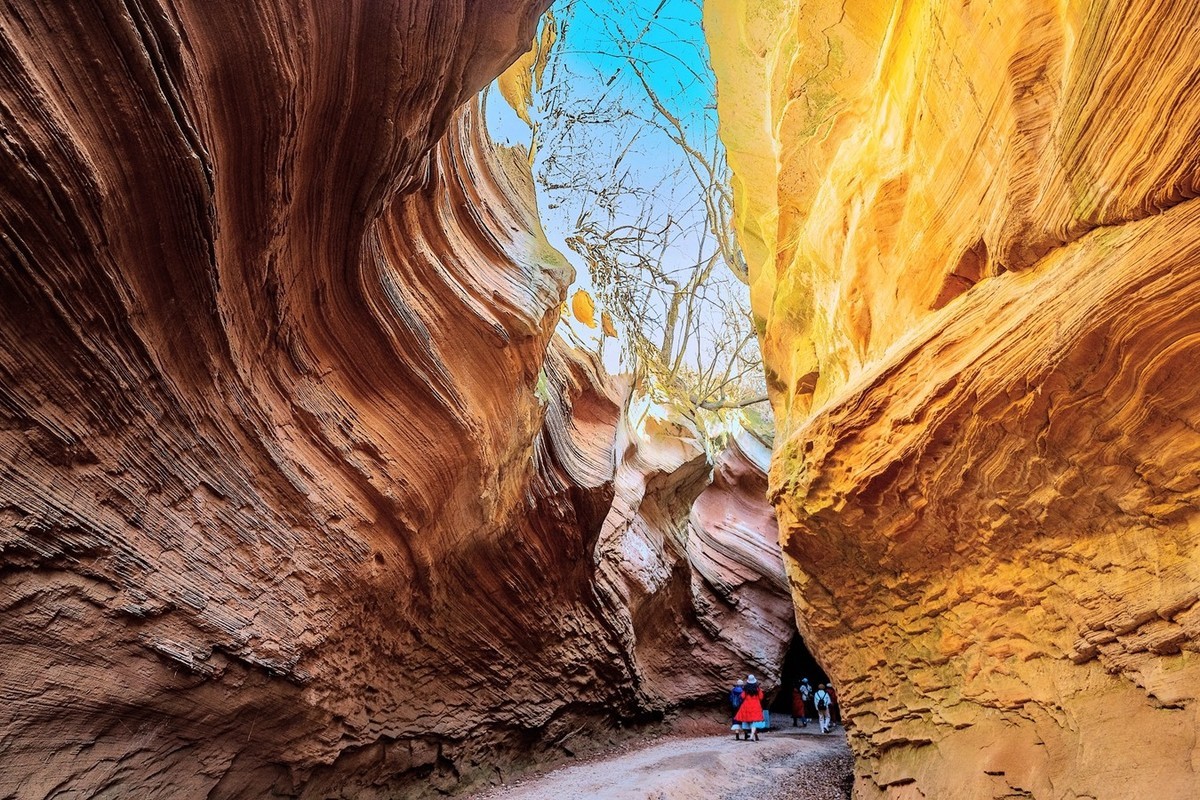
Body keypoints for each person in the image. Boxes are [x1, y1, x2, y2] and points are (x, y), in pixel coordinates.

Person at [734, 674, 765, 742]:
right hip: (755, 705)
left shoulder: (745, 688)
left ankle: (750, 735)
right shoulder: (757, 688)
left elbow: (742, 696)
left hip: (746, 705)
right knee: (754, 721)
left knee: (746, 720)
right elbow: (761, 697)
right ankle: (752, 736)